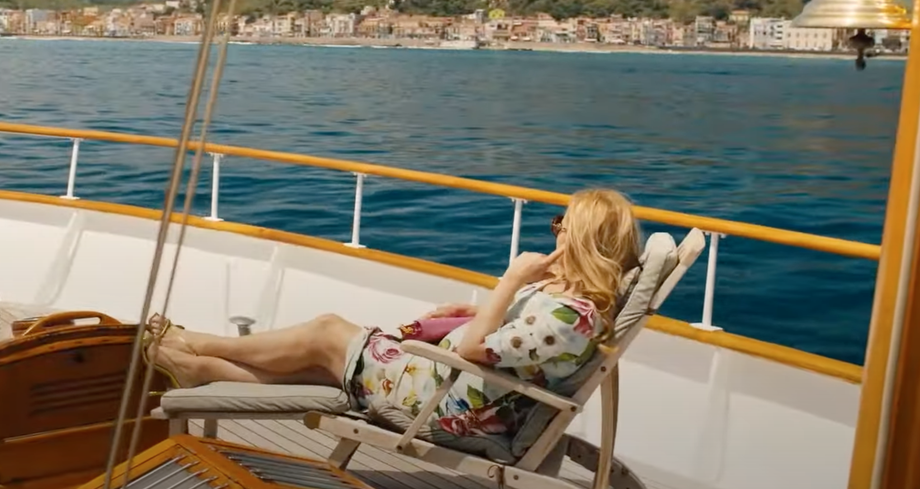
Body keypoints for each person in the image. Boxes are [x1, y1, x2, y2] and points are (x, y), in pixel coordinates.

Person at [144, 187, 642, 447]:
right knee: (320, 367)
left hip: (446, 405)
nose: (555, 232)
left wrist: (508, 281)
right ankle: (199, 368)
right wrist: (478, 309)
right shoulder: (563, 301)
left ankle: (198, 343)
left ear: (582, 240)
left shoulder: (568, 319)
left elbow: (475, 349)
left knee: (326, 332)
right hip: (440, 380)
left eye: (562, 225)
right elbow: (515, 335)